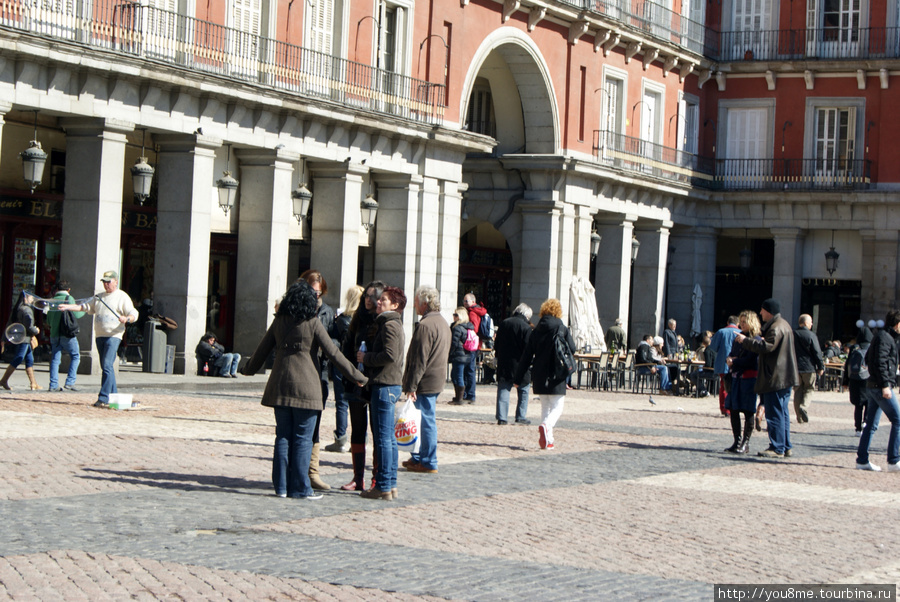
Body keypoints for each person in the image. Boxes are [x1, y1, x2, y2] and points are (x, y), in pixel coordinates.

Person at [242, 280, 367, 499]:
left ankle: (281, 486)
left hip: (279, 384)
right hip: (307, 387)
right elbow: (334, 354)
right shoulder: (312, 322)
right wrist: (358, 376)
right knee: (302, 438)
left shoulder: (279, 321)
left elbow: (261, 350)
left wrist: (247, 369)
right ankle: (300, 488)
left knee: (282, 436)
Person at [59, 271, 139, 408]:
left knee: (107, 365)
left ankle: (103, 397)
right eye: (104, 282)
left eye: (109, 281)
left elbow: (133, 313)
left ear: (116, 282)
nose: (106, 284)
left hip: (114, 336)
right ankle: (115, 395)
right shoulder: (99, 297)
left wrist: (127, 318)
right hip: (100, 336)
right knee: (106, 367)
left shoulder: (122, 296)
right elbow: (84, 307)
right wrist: (68, 307)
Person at [357, 285, 406, 500]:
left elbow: (389, 355)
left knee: (384, 438)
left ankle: (384, 485)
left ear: (395, 305)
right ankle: (390, 484)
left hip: (385, 385)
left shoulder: (390, 325)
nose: (379, 302)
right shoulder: (389, 323)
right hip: (388, 385)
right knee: (389, 439)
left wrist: (365, 359)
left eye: (384, 300)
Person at [735, 298, 799, 459]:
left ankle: (777, 447)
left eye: (762, 310)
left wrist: (746, 341)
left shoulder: (775, 328)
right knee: (782, 412)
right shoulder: (784, 325)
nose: (760, 313)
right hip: (784, 376)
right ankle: (785, 446)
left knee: (775, 413)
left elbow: (766, 347)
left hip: (776, 377)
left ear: (768, 311)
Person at [339, 280, 386, 492]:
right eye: (366, 295)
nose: (368, 299)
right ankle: (358, 478)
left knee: (377, 431)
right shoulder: (357, 319)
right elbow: (347, 347)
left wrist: (367, 360)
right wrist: (351, 373)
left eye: (372, 296)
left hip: (375, 382)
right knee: (357, 429)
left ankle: (377, 477)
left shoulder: (384, 321)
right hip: (356, 381)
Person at [401, 286, 451, 474]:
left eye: (415, 302)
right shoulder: (442, 323)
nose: (414, 305)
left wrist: (411, 385)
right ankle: (419, 457)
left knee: (426, 420)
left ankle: (428, 460)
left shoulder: (425, 325)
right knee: (422, 419)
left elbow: (419, 359)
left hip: (426, 381)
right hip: (435, 379)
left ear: (424, 303)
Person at [513, 298, 575, 450]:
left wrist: (518, 378)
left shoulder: (536, 330)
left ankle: (549, 440)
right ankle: (547, 426)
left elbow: (526, 356)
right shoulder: (561, 328)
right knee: (557, 407)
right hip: (556, 373)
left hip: (539, 374)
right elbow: (572, 348)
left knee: (545, 406)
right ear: (558, 311)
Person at [297, 269, 335, 491]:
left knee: (315, 423)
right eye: (312, 292)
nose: (316, 297)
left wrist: (329, 347)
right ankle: (296, 471)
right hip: (299, 370)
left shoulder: (327, 312)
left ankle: (312, 472)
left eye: (319, 293)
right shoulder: (295, 309)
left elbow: (335, 341)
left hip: (318, 372)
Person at [856, 309, 900, 472]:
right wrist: (885, 385)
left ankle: (862, 460)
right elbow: (880, 362)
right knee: (898, 421)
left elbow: (869, 359)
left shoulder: (882, 337)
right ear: (897, 324)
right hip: (880, 387)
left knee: (871, 425)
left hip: (874, 386)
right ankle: (893, 460)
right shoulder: (885, 338)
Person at [324, 285, 364, 453]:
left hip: (342, 365)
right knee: (360, 403)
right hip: (360, 365)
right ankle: (360, 439)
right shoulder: (365, 319)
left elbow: (334, 340)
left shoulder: (342, 319)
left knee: (342, 403)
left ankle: (341, 439)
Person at [723, 311, 761, 454]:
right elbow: (732, 352)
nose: (742, 324)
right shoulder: (737, 337)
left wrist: (735, 361)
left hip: (749, 378)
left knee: (748, 410)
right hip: (735, 377)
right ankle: (737, 441)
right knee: (733, 409)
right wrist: (729, 359)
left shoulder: (755, 339)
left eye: (745, 322)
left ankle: (745, 442)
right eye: (741, 322)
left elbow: (752, 360)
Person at [494, 303, 533, 425]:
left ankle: (502, 417)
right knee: (524, 390)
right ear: (526, 315)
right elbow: (528, 348)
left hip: (504, 362)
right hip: (520, 363)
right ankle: (521, 416)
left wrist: (497, 356)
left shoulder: (504, 323)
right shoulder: (526, 328)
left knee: (504, 389)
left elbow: (497, 343)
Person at [47, 280, 85, 392]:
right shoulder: (69, 299)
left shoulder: (52, 300)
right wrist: (83, 309)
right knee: (75, 356)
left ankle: (53, 384)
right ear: (68, 290)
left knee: (55, 359)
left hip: (54, 333)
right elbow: (78, 313)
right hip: (67, 334)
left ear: (57, 289)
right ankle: (70, 382)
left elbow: (48, 319)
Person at [1, 291, 42, 391]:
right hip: (26, 338)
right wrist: (36, 330)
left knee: (29, 360)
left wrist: (3, 339)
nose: (32, 300)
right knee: (18, 358)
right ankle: (4, 380)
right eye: (31, 298)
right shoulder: (27, 310)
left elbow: (9, 325)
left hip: (20, 337)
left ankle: (33, 383)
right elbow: (29, 327)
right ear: (25, 299)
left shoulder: (17, 309)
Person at [793, 314, 824, 424]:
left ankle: (799, 417)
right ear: (806, 323)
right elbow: (817, 352)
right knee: (809, 389)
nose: (811, 324)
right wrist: (821, 366)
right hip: (809, 367)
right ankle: (804, 407)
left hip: (795, 367)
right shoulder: (811, 335)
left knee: (797, 391)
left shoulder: (793, 334)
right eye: (811, 322)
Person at [710, 316, 741, 416]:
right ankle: (734, 407)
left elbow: (713, 347)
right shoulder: (741, 333)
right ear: (738, 323)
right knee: (736, 386)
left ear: (728, 322)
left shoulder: (721, 332)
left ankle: (725, 408)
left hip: (723, 363)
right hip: (737, 363)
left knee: (724, 386)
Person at [847, 322, 873, 435]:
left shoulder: (854, 348)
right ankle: (865, 422)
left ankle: (857, 428)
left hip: (854, 379)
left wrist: (845, 381)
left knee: (858, 405)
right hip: (867, 378)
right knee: (868, 402)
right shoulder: (871, 347)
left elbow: (847, 364)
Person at [462, 293, 487, 402]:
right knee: (469, 369)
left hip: (471, 344)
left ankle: (470, 394)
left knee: (469, 369)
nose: (465, 303)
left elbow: (474, 328)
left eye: (467, 301)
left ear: (473, 302)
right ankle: (469, 393)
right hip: (476, 344)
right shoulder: (476, 311)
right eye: (464, 301)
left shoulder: (472, 313)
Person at [447, 307, 475, 405]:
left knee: (457, 376)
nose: (454, 317)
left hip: (459, 355)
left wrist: (450, 353)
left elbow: (454, 343)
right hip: (467, 354)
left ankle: (459, 398)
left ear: (460, 316)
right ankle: (459, 396)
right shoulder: (468, 327)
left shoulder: (458, 328)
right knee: (457, 375)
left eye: (456, 315)